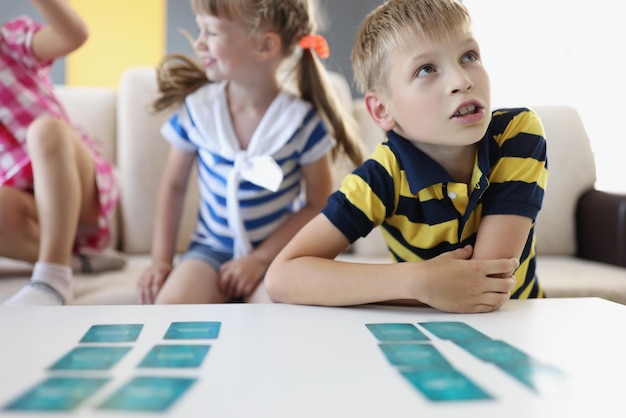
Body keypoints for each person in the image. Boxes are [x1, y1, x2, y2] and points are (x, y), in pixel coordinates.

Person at [265, 0, 549, 314]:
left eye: (469, 56)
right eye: (426, 69)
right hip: (425, 329)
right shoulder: (381, 177)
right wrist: (415, 280)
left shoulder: (516, 133)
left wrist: (425, 285)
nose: (462, 81)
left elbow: (483, 282)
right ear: (382, 110)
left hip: (516, 324)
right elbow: (282, 277)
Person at [136, 0, 364, 304]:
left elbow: (317, 204)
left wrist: (258, 260)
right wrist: (161, 261)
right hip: (209, 252)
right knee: (171, 310)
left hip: (278, 256)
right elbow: (174, 187)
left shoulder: (301, 123)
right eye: (200, 29)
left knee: (273, 321)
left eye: (212, 32)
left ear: (265, 45)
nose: (199, 42)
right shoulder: (198, 110)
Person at [0, 0, 124, 306]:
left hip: (74, 180)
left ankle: (53, 279)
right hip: (29, 210)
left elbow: (74, 35)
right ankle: (78, 261)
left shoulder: (11, 42)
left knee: (45, 131)